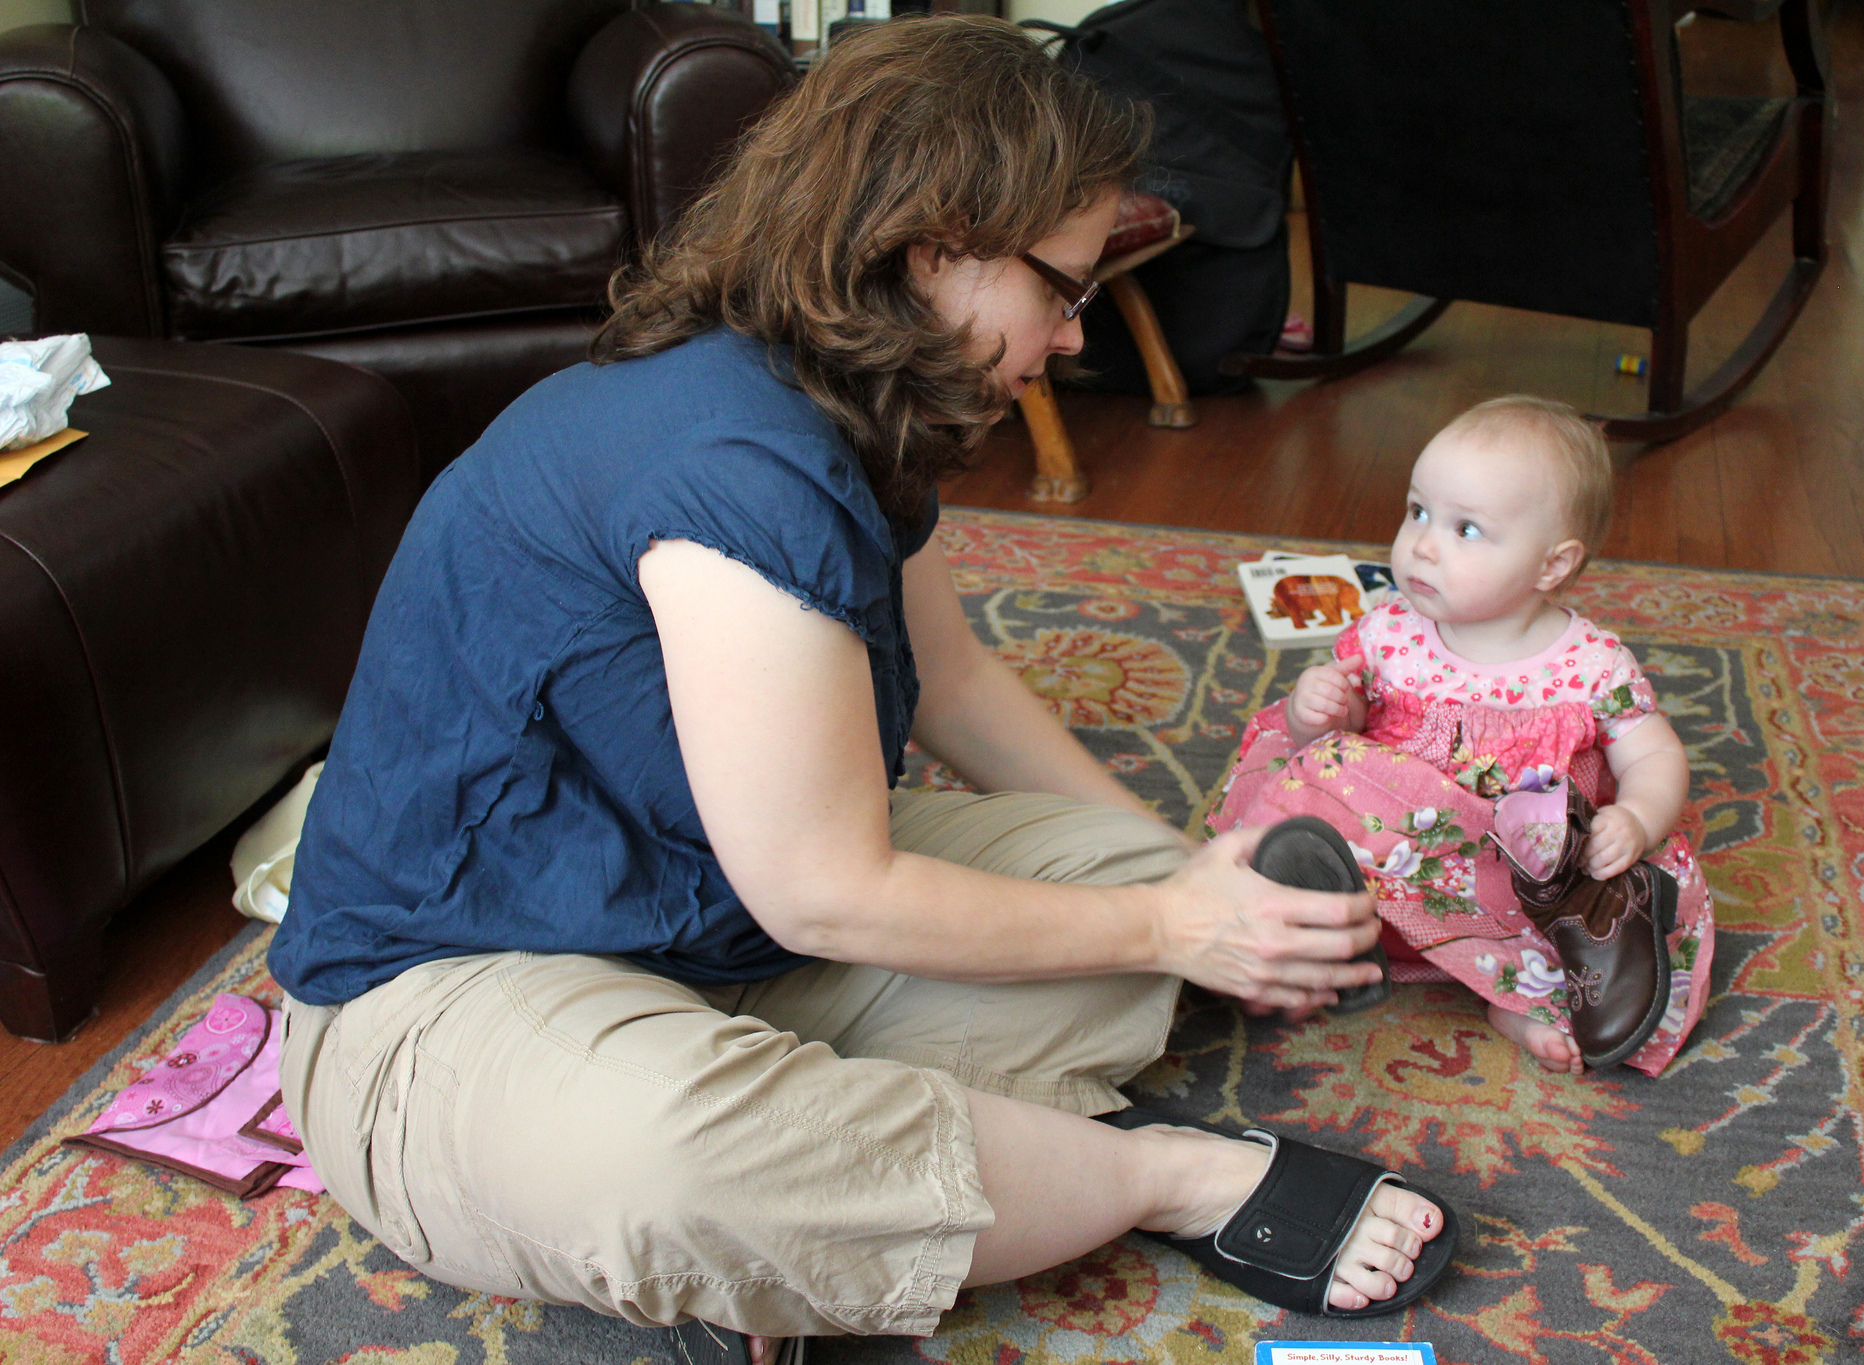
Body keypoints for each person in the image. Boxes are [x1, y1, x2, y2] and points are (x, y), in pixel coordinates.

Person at [265, 17, 1456, 1362]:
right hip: (455, 988)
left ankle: (852, 1181)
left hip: (708, 922)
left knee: (1123, 878)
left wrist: (1190, 886)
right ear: (933, 247)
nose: (1073, 337)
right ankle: (1159, 1175)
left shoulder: (849, 404)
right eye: (1064, 290)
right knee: (666, 1164)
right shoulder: (734, 462)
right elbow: (824, 891)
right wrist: (1172, 930)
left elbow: (953, 683)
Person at [1211, 397, 1715, 1077]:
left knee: (1619, 909)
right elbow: (1334, 744)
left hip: (1507, 877)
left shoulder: (1590, 665)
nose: (1422, 544)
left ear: (1551, 566)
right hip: (1391, 864)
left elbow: (1653, 752)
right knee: (1320, 774)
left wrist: (1637, 817)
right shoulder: (1390, 633)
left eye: (1466, 529)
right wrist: (1318, 710)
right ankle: (1321, 937)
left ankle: (1519, 997)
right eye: (1417, 511)